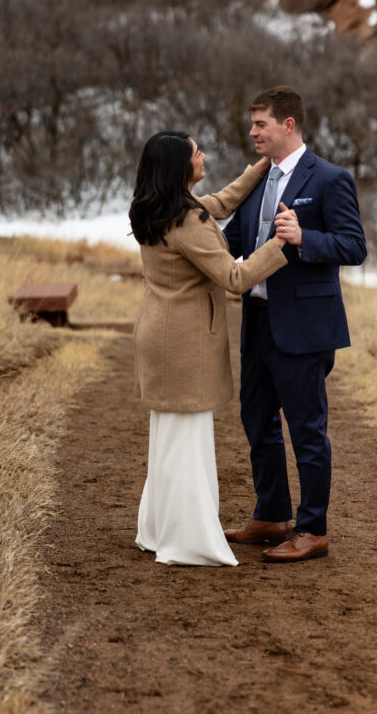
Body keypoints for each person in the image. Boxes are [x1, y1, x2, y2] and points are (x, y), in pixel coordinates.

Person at [129, 131, 288, 567]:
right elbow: (235, 280)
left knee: (168, 438)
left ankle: (159, 530)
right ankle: (189, 540)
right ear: (181, 167)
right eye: (197, 153)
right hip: (184, 343)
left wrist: (256, 171)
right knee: (187, 441)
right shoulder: (187, 222)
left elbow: (218, 202)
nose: (204, 156)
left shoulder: (154, 206)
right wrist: (280, 243)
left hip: (159, 334)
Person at [223, 87, 367, 562]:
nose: (252, 133)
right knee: (255, 419)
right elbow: (231, 241)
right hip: (258, 322)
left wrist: (306, 237)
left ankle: (313, 529)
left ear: (288, 125)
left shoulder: (329, 179)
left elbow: (353, 246)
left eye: (260, 124)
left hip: (304, 327)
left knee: (306, 429)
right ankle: (272, 515)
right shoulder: (257, 180)